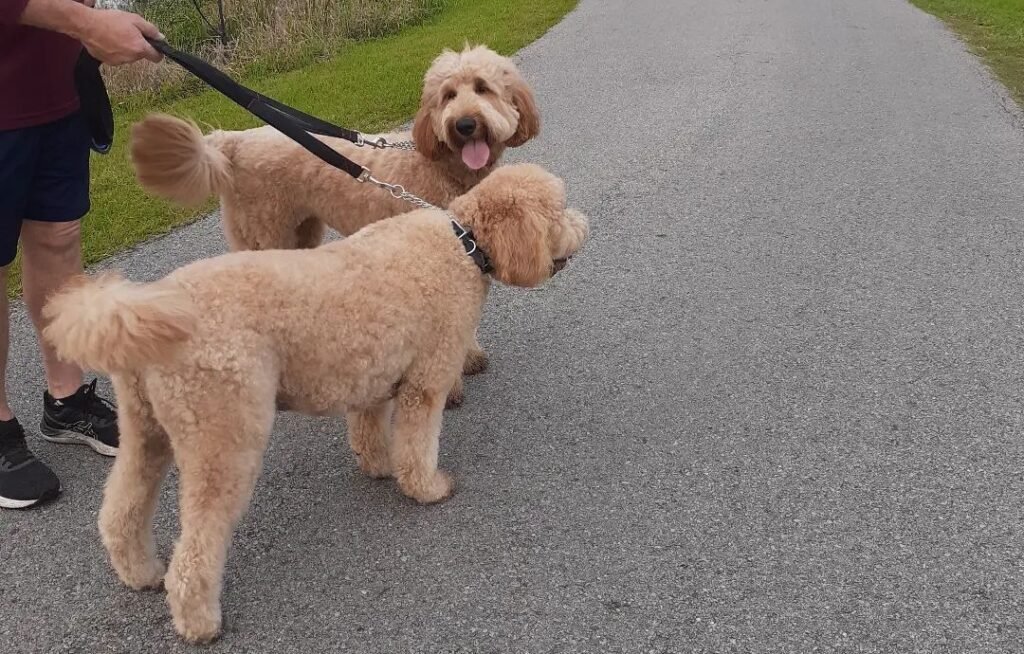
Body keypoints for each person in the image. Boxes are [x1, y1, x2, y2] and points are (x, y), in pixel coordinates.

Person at [0, 0, 163, 509]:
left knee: (58, 236)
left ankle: (65, 400)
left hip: (53, 87)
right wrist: (86, 22)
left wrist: (89, 25)